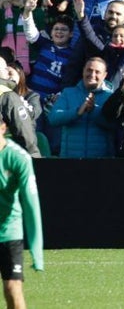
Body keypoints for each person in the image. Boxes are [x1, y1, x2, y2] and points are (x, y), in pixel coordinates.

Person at [0, 109, 43, 308]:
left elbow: (31, 203)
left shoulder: (18, 158)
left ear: (3, 128)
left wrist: (36, 251)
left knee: (12, 288)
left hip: (9, 232)